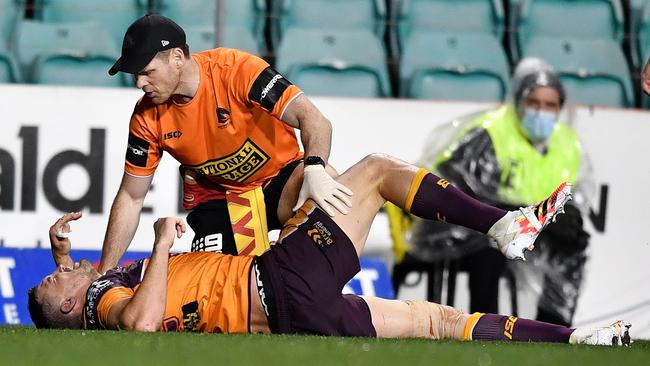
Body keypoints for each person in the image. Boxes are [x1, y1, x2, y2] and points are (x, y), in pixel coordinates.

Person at [28, 153, 630, 345]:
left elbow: (92, 293)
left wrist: (61, 259)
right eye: (56, 279)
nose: (66, 268)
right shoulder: (111, 303)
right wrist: (161, 241)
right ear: (68, 307)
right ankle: (502, 226)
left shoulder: (97, 292)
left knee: (437, 322)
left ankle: (572, 340)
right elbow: (135, 322)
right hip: (276, 281)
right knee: (374, 172)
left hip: (296, 315)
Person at [100, 14, 352, 273]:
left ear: (176, 57)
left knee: (328, 180)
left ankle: (295, 277)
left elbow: (315, 120)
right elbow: (131, 196)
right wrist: (103, 275)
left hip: (280, 181)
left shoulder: (237, 70)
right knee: (215, 295)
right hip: (221, 198)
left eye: (146, 72)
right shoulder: (145, 115)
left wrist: (314, 169)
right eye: (136, 75)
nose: (140, 83)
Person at [388, 59, 593, 325]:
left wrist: (565, 216)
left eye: (550, 105)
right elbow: (458, 190)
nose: (542, 112)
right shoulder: (490, 132)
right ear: (519, 102)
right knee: (491, 245)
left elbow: (570, 194)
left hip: (525, 227)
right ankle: (487, 326)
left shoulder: (567, 144)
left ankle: (553, 326)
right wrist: (525, 215)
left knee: (572, 240)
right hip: (467, 227)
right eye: (534, 103)